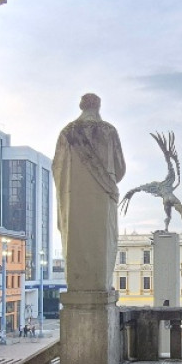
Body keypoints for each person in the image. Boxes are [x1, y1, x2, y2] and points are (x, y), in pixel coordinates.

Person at [53, 93, 127, 292]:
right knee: (102, 241)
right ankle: (100, 283)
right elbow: (120, 169)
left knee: (77, 240)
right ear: (98, 107)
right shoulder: (109, 131)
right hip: (103, 196)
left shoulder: (67, 132)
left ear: (81, 106)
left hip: (73, 198)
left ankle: (78, 283)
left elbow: (57, 168)